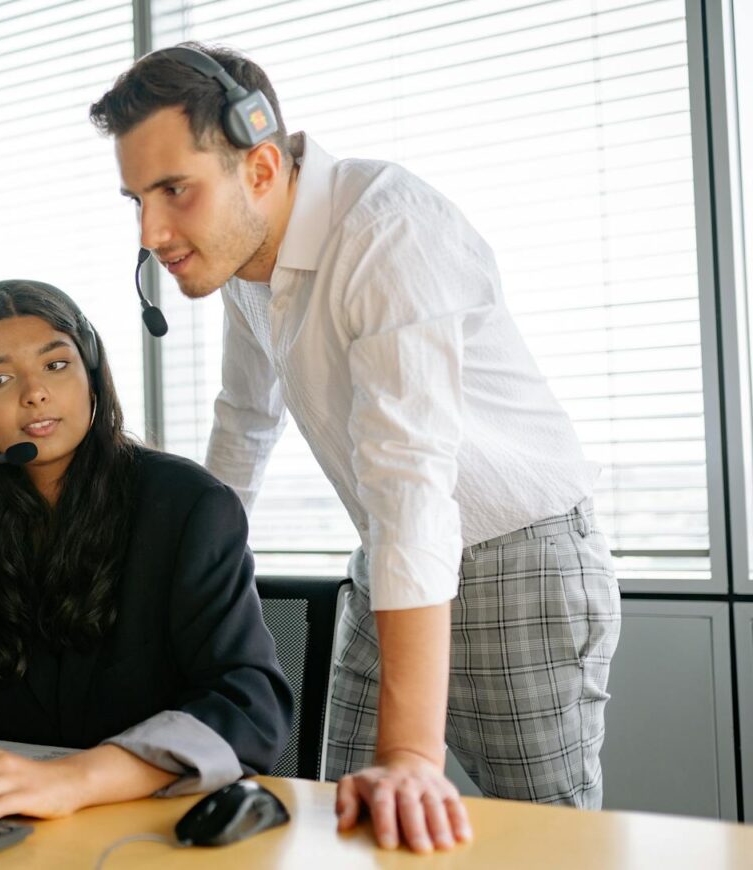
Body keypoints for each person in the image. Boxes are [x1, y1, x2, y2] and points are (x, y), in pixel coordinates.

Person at [90, 43, 622, 852]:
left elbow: (411, 482)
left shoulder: (386, 230)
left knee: (545, 845)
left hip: (519, 559)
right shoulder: (247, 262)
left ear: (261, 169)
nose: (152, 232)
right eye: (136, 199)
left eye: (173, 190)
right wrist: (174, 576)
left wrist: (411, 753)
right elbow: (243, 424)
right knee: (348, 826)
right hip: (393, 558)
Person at [0, 279, 292, 829]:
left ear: (92, 373)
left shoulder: (187, 505)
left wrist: (76, 779)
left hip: (150, 821)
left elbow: (248, 703)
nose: (33, 394)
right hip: (1, 827)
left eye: (56, 365)